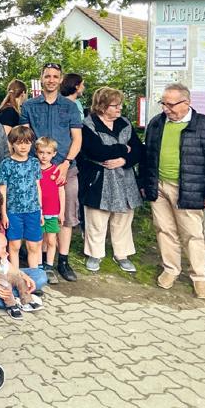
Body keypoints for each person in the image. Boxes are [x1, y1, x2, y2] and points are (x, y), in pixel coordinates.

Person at [141, 83, 205, 299]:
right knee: (164, 230)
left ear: (186, 103)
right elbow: (147, 156)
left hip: (190, 188)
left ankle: (199, 276)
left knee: (192, 234)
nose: (166, 109)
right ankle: (171, 269)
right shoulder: (156, 123)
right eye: (163, 103)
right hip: (158, 186)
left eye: (171, 105)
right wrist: (144, 182)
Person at [20, 62, 82, 283]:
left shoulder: (70, 106)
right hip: (36, 170)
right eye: (47, 76)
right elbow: (24, 137)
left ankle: (62, 260)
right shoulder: (29, 106)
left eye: (55, 76)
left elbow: (77, 138)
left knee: (65, 214)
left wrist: (66, 163)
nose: (51, 80)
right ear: (41, 78)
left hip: (65, 168)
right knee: (36, 212)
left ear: (61, 79)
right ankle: (40, 261)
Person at [80, 87, 144, 274]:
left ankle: (122, 254)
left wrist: (124, 160)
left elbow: (138, 150)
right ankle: (95, 254)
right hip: (99, 178)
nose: (120, 108)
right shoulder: (88, 124)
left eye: (120, 105)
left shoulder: (124, 123)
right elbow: (95, 151)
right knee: (96, 219)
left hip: (125, 177)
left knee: (123, 218)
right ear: (102, 106)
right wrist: (123, 148)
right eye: (115, 105)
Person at [0, 126, 43, 271]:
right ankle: (15, 275)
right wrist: (4, 213)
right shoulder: (6, 164)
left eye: (27, 143)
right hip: (13, 211)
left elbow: (37, 187)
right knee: (14, 245)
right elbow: (3, 189)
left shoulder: (34, 162)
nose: (23, 146)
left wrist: (41, 210)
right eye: (19, 143)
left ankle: (34, 274)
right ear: (12, 144)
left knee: (33, 245)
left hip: (33, 210)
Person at [35, 138, 65, 273]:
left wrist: (62, 212)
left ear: (54, 153)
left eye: (48, 153)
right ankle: (38, 264)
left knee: (52, 240)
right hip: (38, 212)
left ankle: (49, 265)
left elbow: (61, 192)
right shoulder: (34, 170)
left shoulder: (57, 170)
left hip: (53, 212)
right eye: (41, 152)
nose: (44, 156)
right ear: (36, 152)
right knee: (38, 240)